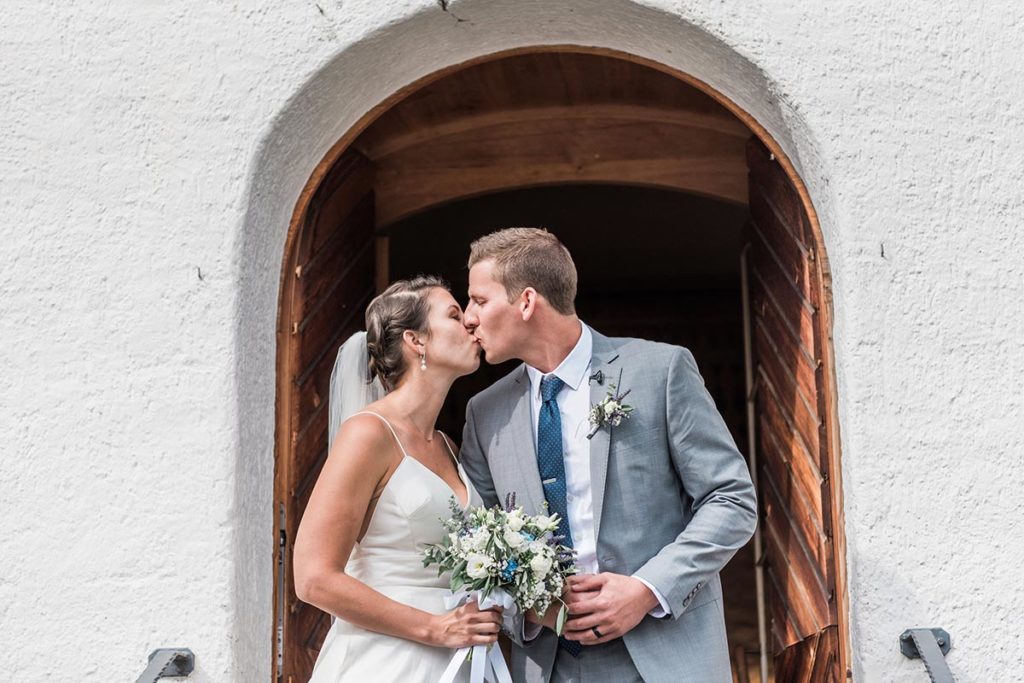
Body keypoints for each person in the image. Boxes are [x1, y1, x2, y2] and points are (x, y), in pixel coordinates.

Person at [459, 228, 757, 683]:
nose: (468, 319)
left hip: (666, 656)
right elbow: (475, 544)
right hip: (548, 666)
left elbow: (732, 501)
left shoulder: (660, 371)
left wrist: (646, 589)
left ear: (525, 302)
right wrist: (530, 608)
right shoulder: (485, 414)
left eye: (479, 300)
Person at [293, 275, 502, 682]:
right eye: (455, 315)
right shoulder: (368, 434)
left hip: (458, 661)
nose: (471, 324)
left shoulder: (447, 445)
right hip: (388, 662)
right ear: (416, 340)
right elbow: (313, 577)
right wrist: (433, 627)